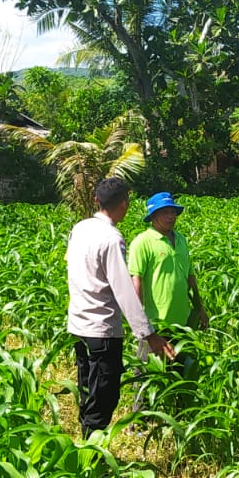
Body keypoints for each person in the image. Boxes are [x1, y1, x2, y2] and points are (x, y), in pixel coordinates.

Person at [66, 178, 173, 438]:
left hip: (79, 324)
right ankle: (92, 457)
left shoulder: (79, 229)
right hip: (102, 330)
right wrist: (148, 334)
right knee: (104, 395)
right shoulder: (112, 238)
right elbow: (123, 289)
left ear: (96, 201)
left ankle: (87, 448)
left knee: (87, 388)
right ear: (124, 205)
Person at [128, 191, 207, 369]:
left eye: (173, 212)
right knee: (147, 373)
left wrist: (199, 308)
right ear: (153, 216)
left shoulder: (180, 239)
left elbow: (190, 277)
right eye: (165, 212)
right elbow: (136, 281)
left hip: (182, 320)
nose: (171, 216)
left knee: (179, 371)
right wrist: (140, 322)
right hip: (155, 323)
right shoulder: (142, 242)